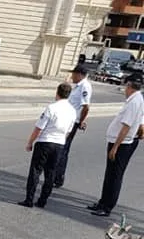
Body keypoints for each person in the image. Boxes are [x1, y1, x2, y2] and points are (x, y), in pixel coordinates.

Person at [89, 77, 144, 216]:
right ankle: (102, 202)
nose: (125, 89)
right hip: (120, 142)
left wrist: (115, 147)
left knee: (115, 176)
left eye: (126, 86)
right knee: (110, 175)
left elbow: (126, 127)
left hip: (122, 144)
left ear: (130, 86)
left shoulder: (135, 102)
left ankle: (107, 207)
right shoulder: (135, 100)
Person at [19, 83, 76, 209]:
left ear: (57, 92)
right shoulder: (72, 111)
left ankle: (29, 199)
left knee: (36, 171)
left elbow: (39, 128)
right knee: (50, 173)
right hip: (59, 144)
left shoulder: (51, 108)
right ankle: (42, 200)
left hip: (45, 142)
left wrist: (30, 142)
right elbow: (68, 131)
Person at [53, 64, 92, 187]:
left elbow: (86, 107)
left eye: (73, 74)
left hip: (72, 122)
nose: (72, 76)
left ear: (79, 74)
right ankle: (56, 176)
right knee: (61, 147)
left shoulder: (85, 86)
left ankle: (58, 178)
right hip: (68, 119)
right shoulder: (78, 86)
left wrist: (81, 121)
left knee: (63, 149)